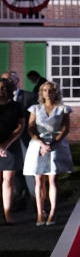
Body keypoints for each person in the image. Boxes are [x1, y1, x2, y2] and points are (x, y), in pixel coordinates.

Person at [24, 81, 73, 226]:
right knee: (38, 180)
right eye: (45, 90)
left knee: (52, 180)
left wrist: (52, 144)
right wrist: (41, 143)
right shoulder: (35, 108)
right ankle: (40, 213)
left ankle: (52, 212)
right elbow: (31, 128)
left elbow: (65, 129)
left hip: (56, 144)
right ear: (41, 92)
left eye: (50, 90)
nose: (48, 93)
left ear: (55, 92)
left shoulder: (63, 109)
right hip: (38, 145)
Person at [2, 71, 36, 210]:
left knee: (29, 168)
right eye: (4, 80)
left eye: (9, 80)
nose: (6, 83)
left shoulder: (29, 96)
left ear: (16, 81)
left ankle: (34, 198)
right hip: (8, 140)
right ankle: (16, 198)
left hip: (25, 138)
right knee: (12, 171)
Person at [0, 78, 25, 224]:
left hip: (11, 145)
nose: (1, 90)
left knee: (8, 180)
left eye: (4, 88)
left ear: (9, 90)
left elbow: (20, 126)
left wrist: (6, 144)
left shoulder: (16, 106)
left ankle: (7, 213)